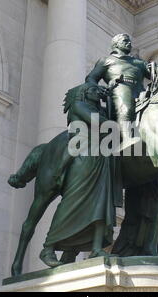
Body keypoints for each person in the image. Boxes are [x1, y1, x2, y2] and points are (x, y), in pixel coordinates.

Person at [39, 83, 122, 267]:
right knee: (72, 202)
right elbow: (102, 124)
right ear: (84, 93)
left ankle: (97, 247)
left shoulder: (97, 108)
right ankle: (48, 247)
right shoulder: (79, 106)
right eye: (93, 90)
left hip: (102, 158)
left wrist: (109, 100)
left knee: (102, 205)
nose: (96, 92)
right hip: (84, 159)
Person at [86, 34, 150, 152]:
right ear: (115, 44)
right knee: (125, 107)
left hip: (140, 90)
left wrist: (154, 68)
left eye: (130, 41)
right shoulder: (106, 60)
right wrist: (98, 88)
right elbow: (91, 78)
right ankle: (127, 140)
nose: (129, 43)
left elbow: (153, 74)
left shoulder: (138, 62)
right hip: (119, 87)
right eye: (125, 41)